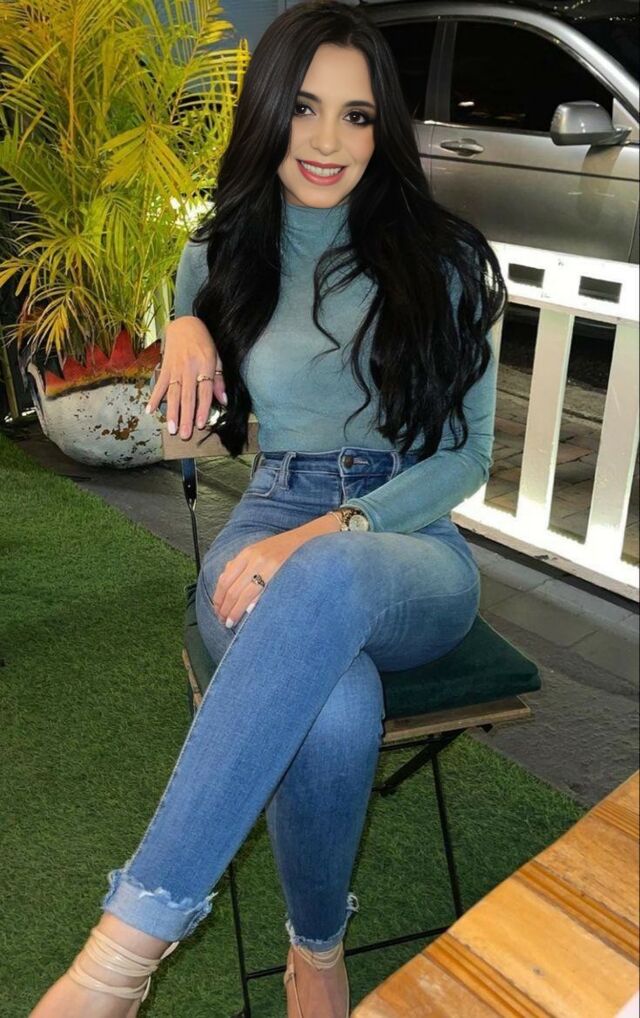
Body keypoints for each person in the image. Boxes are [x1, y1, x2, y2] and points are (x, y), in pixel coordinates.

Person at [31, 2, 506, 1016]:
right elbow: (193, 343)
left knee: (325, 571)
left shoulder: (447, 258)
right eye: (304, 107)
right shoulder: (221, 251)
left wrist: (328, 532)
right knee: (334, 705)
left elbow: (468, 454)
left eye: (357, 115)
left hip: (405, 539)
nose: (329, 140)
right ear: (267, 112)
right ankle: (317, 951)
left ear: (383, 129)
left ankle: (113, 970)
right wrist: (183, 323)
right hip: (272, 503)